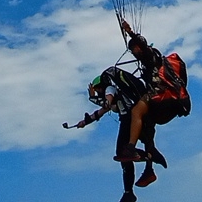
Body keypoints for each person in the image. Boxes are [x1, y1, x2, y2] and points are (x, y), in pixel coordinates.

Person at [68, 65, 165, 202]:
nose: (97, 92)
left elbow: (106, 104)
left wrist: (92, 98)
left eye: (97, 90)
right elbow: (101, 111)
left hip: (129, 120)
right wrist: (85, 122)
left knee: (122, 153)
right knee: (124, 158)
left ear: (100, 86)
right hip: (133, 120)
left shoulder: (110, 88)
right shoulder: (116, 93)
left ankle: (131, 189)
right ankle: (132, 186)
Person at [114, 20, 188, 163]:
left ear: (137, 47)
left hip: (161, 94)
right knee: (146, 124)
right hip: (166, 100)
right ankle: (150, 161)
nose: (133, 53)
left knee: (136, 112)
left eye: (133, 50)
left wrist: (130, 32)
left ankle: (130, 148)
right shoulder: (152, 61)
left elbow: (144, 48)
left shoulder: (150, 55)